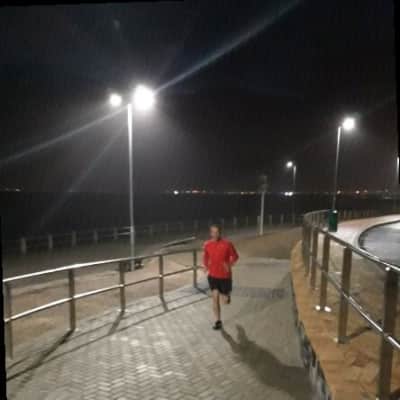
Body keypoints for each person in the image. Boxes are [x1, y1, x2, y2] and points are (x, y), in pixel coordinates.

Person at [203, 224, 239, 330]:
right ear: (210, 233)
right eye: (213, 232)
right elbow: (205, 257)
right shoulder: (207, 244)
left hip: (225, 277)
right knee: (215, 299)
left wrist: (229, 264)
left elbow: (235, 256)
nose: (215, 234)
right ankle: (218, 321)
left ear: (220, 233)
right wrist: (206, 266)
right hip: (213, 276)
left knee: (225, 301)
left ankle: (227, 296)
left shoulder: (227, 244)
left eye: (217, 232)